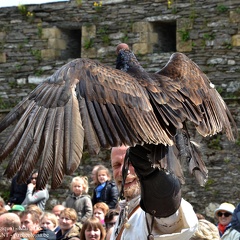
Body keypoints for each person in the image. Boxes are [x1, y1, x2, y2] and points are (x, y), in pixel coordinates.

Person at [110, 145, 198, 239]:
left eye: (131, 163)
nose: (123, 172)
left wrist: (157, 181)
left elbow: (171, 222)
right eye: (117, 165)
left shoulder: (150, 212)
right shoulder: (123, 213)